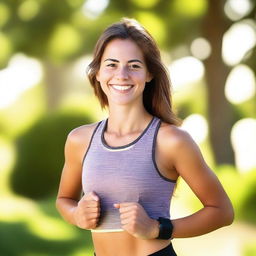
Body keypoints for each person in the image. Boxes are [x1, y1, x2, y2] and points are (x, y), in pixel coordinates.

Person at [56, 18, 234, 256]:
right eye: (111, 64)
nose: (122, 74)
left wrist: (156, 228)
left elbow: (222, 211)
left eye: (134, 65)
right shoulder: (79, 140)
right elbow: (64, 199)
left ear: (149, 74)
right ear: (97, 72)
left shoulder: (171, 141)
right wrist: (76, 215)